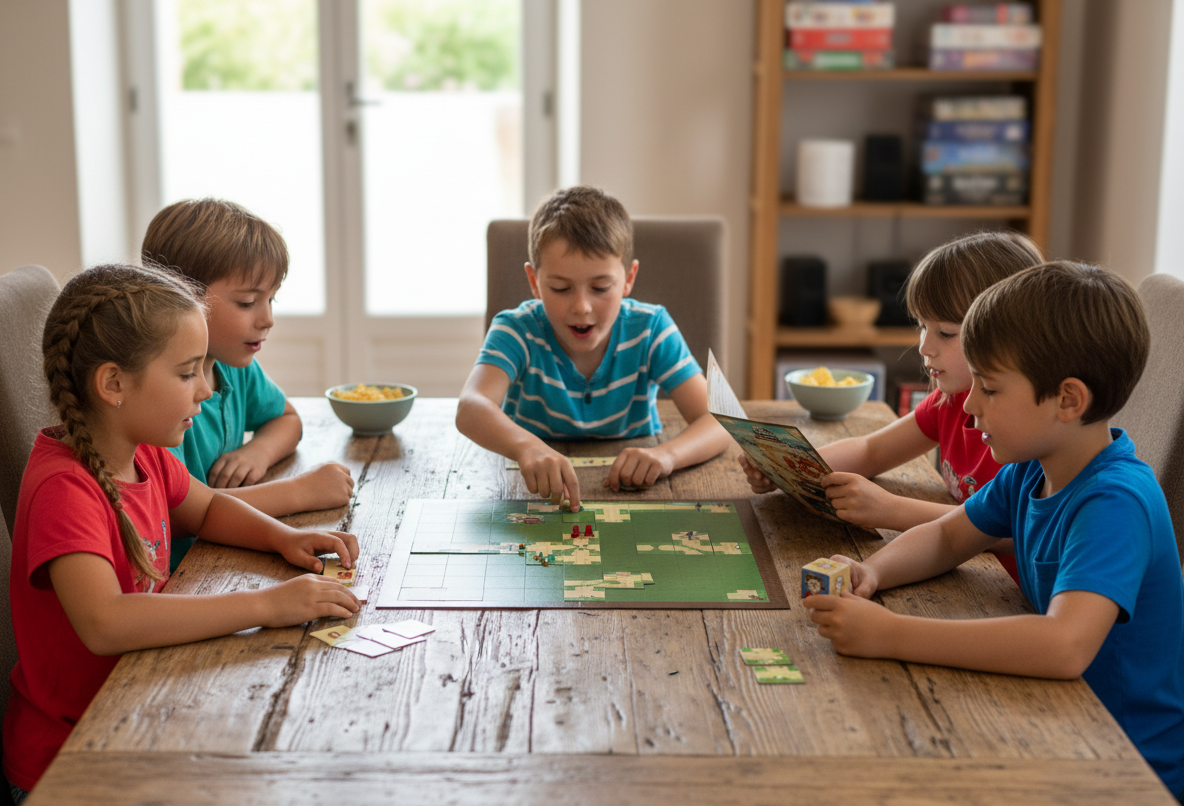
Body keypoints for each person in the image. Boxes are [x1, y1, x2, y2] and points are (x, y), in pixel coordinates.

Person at [804, 261, 1184, 796]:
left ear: (1068, 400)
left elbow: (1063, 645)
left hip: (1123, 764)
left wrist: (889, 634)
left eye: (990, 388)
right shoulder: (1032, 468)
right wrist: (872, 573)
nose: (971, 406)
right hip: (1054, 723)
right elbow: (947, 536)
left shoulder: (1115, 501)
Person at [3, 264, 361, 800]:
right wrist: (266, 605)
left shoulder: (143, 450)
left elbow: (209, 509)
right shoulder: (65, 488)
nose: (208, 389)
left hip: (140, 707)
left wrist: (280, 538)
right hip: (71, 757)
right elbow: (106, 622)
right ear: (114, 384)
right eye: (188, 372)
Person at [741, 230, 1043, 581]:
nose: (924, 347)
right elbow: (872, 449)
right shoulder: (952, 399)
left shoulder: (1030, 431)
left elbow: (1012, 533)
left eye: (944, 333)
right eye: (921, 327)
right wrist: (788, 467)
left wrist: (891, 510)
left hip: (1013, 595)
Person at [456, 186, 731, 510]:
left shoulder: (651, 328)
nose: (582, 307)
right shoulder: (516, 329)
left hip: (638, 495)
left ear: (629, 279)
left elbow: (722, 421)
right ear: (534, 281)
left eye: (600, 287)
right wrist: (525, 447)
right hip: (529, 494)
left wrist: (666, 455)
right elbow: (471, 407)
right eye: (560, 288)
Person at [142, 199, 354, 569]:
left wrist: (256, 453)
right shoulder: (156, 393)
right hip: (179, 579)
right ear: (181, 296)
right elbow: (178, 514)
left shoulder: (232, 366)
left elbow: (286, 418)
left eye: (271, 299)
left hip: (222, 556)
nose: (268, 319)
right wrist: (300, 492)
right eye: (247, 302)